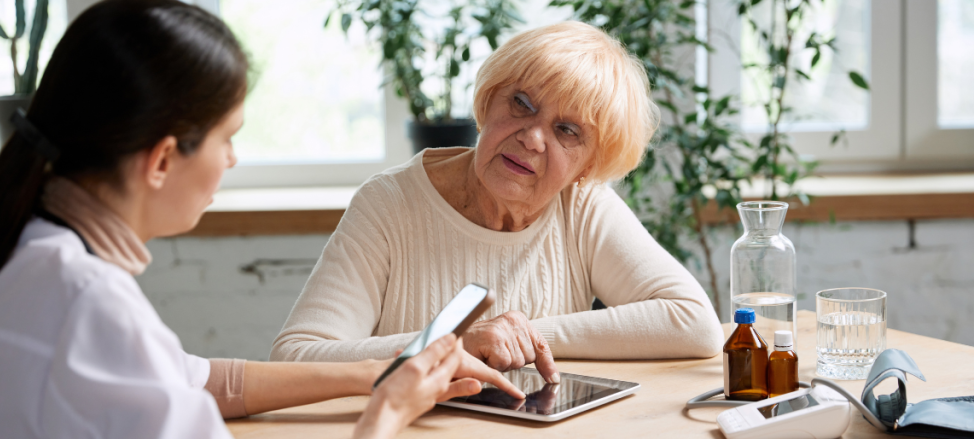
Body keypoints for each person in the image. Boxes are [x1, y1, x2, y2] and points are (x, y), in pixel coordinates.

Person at [0, 0, 521, 439]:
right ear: (164, 159)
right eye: (227, 138)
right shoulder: (91, 304)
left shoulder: (33, 256)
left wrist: (387, 371)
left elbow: (201, 378)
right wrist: (389, 411)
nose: (232, 159)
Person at [271, 21, 726, 380]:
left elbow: (694, 323)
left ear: (587, 167)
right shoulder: (389, 203)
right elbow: (295, 359)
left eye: (566, 131)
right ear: (489, 101)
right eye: (522, 103)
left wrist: (527, 335)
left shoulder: (582, 206)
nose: (531, 137)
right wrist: (452, 346)